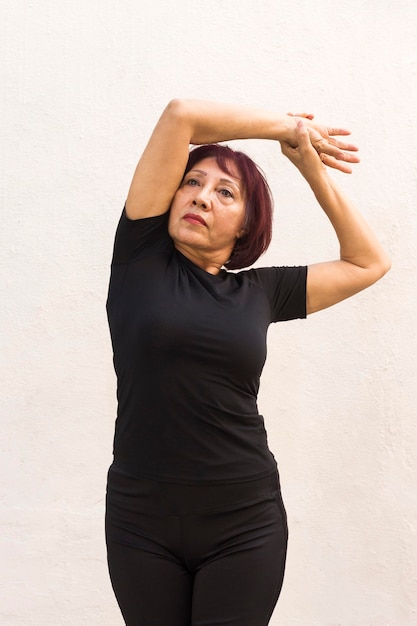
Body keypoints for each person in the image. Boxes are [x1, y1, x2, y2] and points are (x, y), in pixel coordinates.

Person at [105, 99, 390, 626]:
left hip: (243, 521)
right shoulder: (139, 254)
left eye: (224, 192)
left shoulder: (261, 292)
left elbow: (369, 262)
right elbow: (179, 116)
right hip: (140, 520)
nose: (201, 197)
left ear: (244, 227)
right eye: (192, 182)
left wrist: (309, 166)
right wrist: (288, 126)